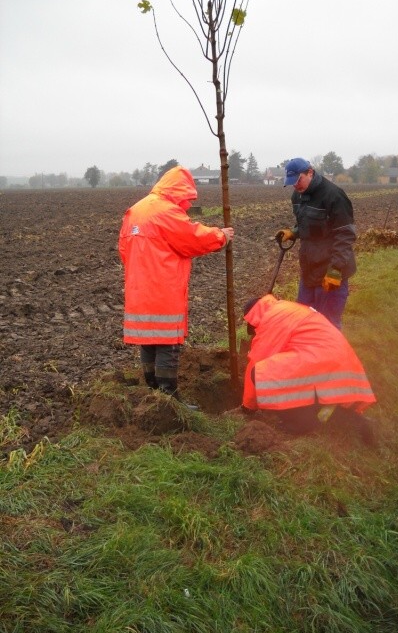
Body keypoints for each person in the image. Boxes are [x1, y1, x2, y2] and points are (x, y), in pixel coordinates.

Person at [118, 165, 234, 405]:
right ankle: (169, 399)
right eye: (187, 197)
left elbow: (123, 251)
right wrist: (221, 236)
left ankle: (153, 392)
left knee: (149, 339)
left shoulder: (136, 210)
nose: (188, 204)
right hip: (163, 289)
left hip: (139, 289)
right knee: (167, 342)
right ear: (179, 190)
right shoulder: (166, 212)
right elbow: (192, 238)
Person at [241, 295, 376, 438]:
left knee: (260, 373)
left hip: (321, 363)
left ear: (254, 319)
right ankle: (335, 413)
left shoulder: (272, 318)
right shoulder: (287, 309)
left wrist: (248, 407)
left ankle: (301, 423)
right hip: (339, 367)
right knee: (284, 368)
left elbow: (257, 361)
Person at [275, 157, 356, 330]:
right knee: (303, 322)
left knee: (328, 326)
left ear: (310, 172)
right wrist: (294, 232)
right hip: (309, 271)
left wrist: (335, 271)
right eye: (292, 183)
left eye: (298, 180)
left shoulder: (334, 195)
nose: (296, 186)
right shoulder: (297, 196)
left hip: (331, 271)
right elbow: (306, 223)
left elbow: (345, 235)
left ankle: (333, 357)